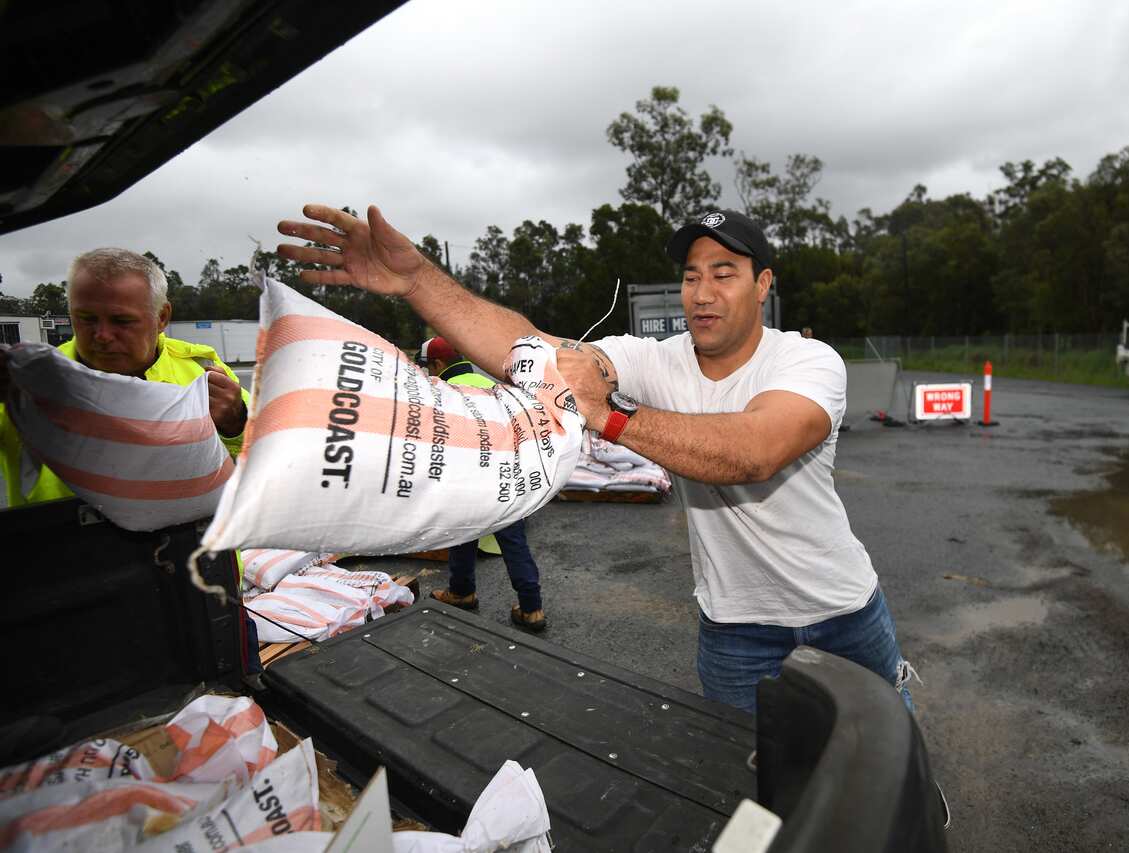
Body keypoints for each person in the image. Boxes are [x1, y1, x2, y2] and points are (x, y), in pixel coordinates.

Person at [277, 205, 917, 714]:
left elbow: (755, 451)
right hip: (734, 630)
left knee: (886, 767)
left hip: (839, 612)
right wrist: (417, 281)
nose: (703, 291)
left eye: (725, 273)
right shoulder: (658, 359)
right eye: (693, 275)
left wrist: (609, 414)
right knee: (742, 781)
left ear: (764, 284)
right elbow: (533, 351)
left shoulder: (806, 362)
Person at [0, 248, 250, 508]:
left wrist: (235, 422)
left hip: (194, 545)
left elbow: (269, 456)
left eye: (122, 321)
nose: (103, 335)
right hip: (62, 545)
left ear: (162, 317)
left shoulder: (202, 369)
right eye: (86, 319)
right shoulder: (24, 380)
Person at [417, 336, 548, 633]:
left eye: (427, 367)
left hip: (466, 480)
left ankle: (463, 592)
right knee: (512, 542)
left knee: (462, 531)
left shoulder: (440, 390)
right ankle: (531, 608)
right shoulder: (489, 385)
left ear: (437, 365)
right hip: (502, 478)